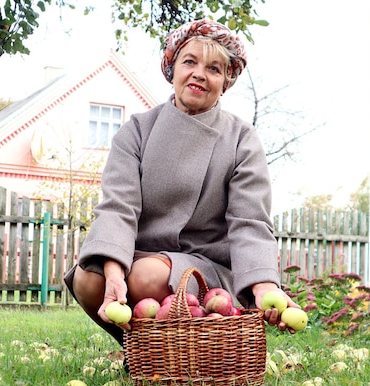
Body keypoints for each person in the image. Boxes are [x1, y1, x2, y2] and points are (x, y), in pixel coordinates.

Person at [63, 18, 301, 346]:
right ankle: (144, 355)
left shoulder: (241, 139)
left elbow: (249, 223)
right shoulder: (137, 131)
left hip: (206, 267)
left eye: (214, 68)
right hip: (138, 254)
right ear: (172, 69)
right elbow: (118, 207)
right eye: (189, 62)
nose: (200, 74)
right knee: (89, 279)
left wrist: (263, 286)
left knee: (146, 277)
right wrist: (114, 273)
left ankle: (180, 358)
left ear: (225, 82)